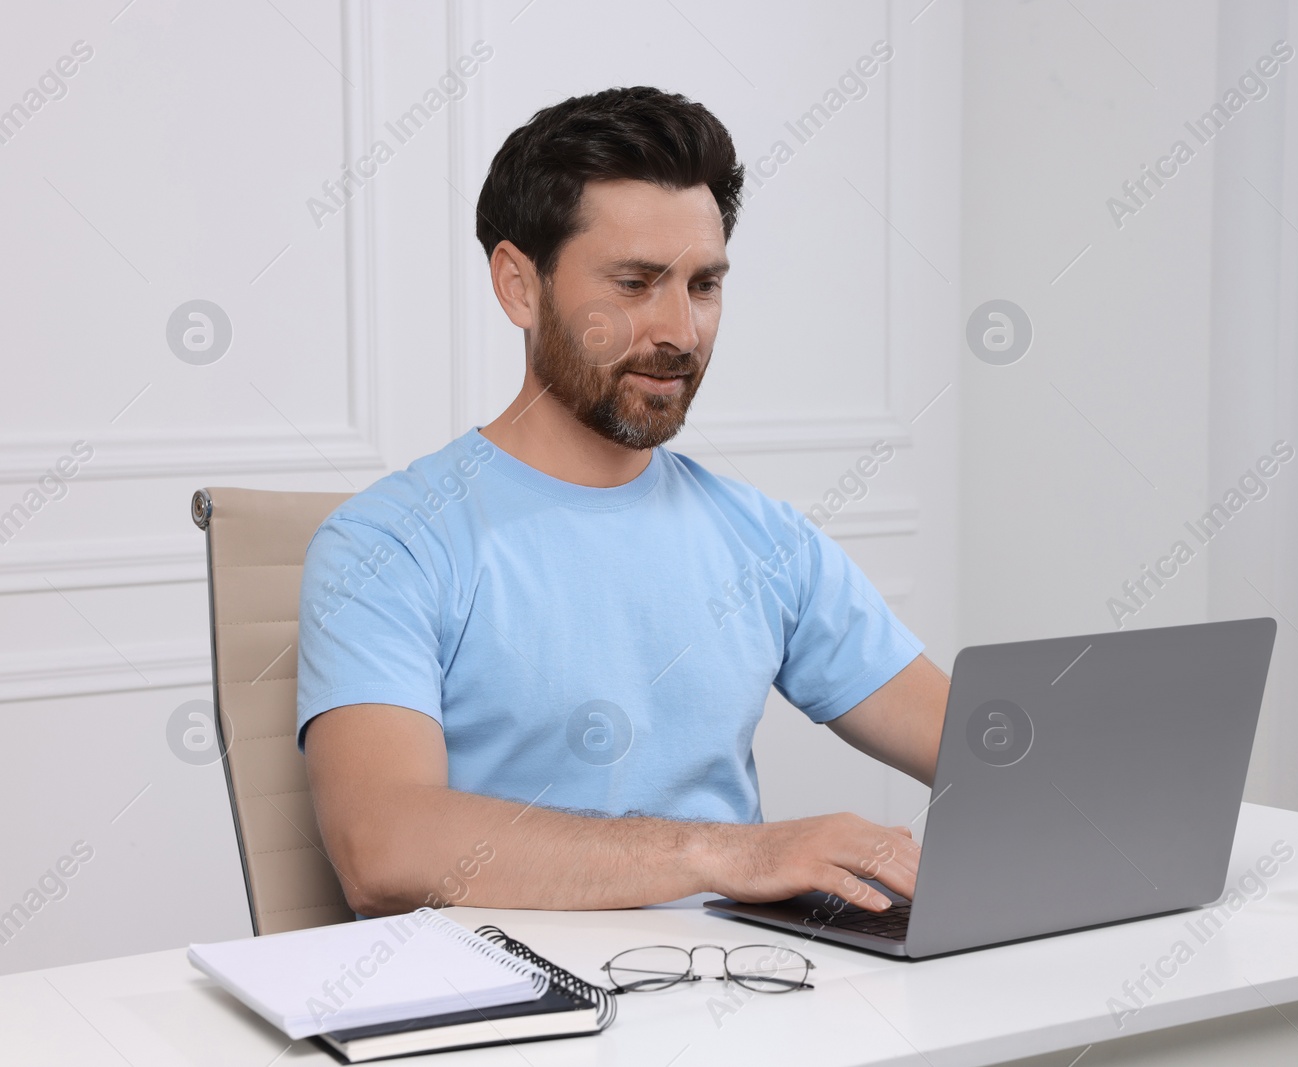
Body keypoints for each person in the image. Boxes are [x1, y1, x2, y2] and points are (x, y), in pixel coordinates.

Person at [297, 86, 947, 918]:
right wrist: (728, 851)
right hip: (525, 1022)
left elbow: (990, 748)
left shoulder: (766, 539)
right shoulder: (390, 543)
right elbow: (384, 846)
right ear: (518, 286)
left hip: (747, 1004)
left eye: (704, 285)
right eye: (636, 283)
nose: (680, 329)